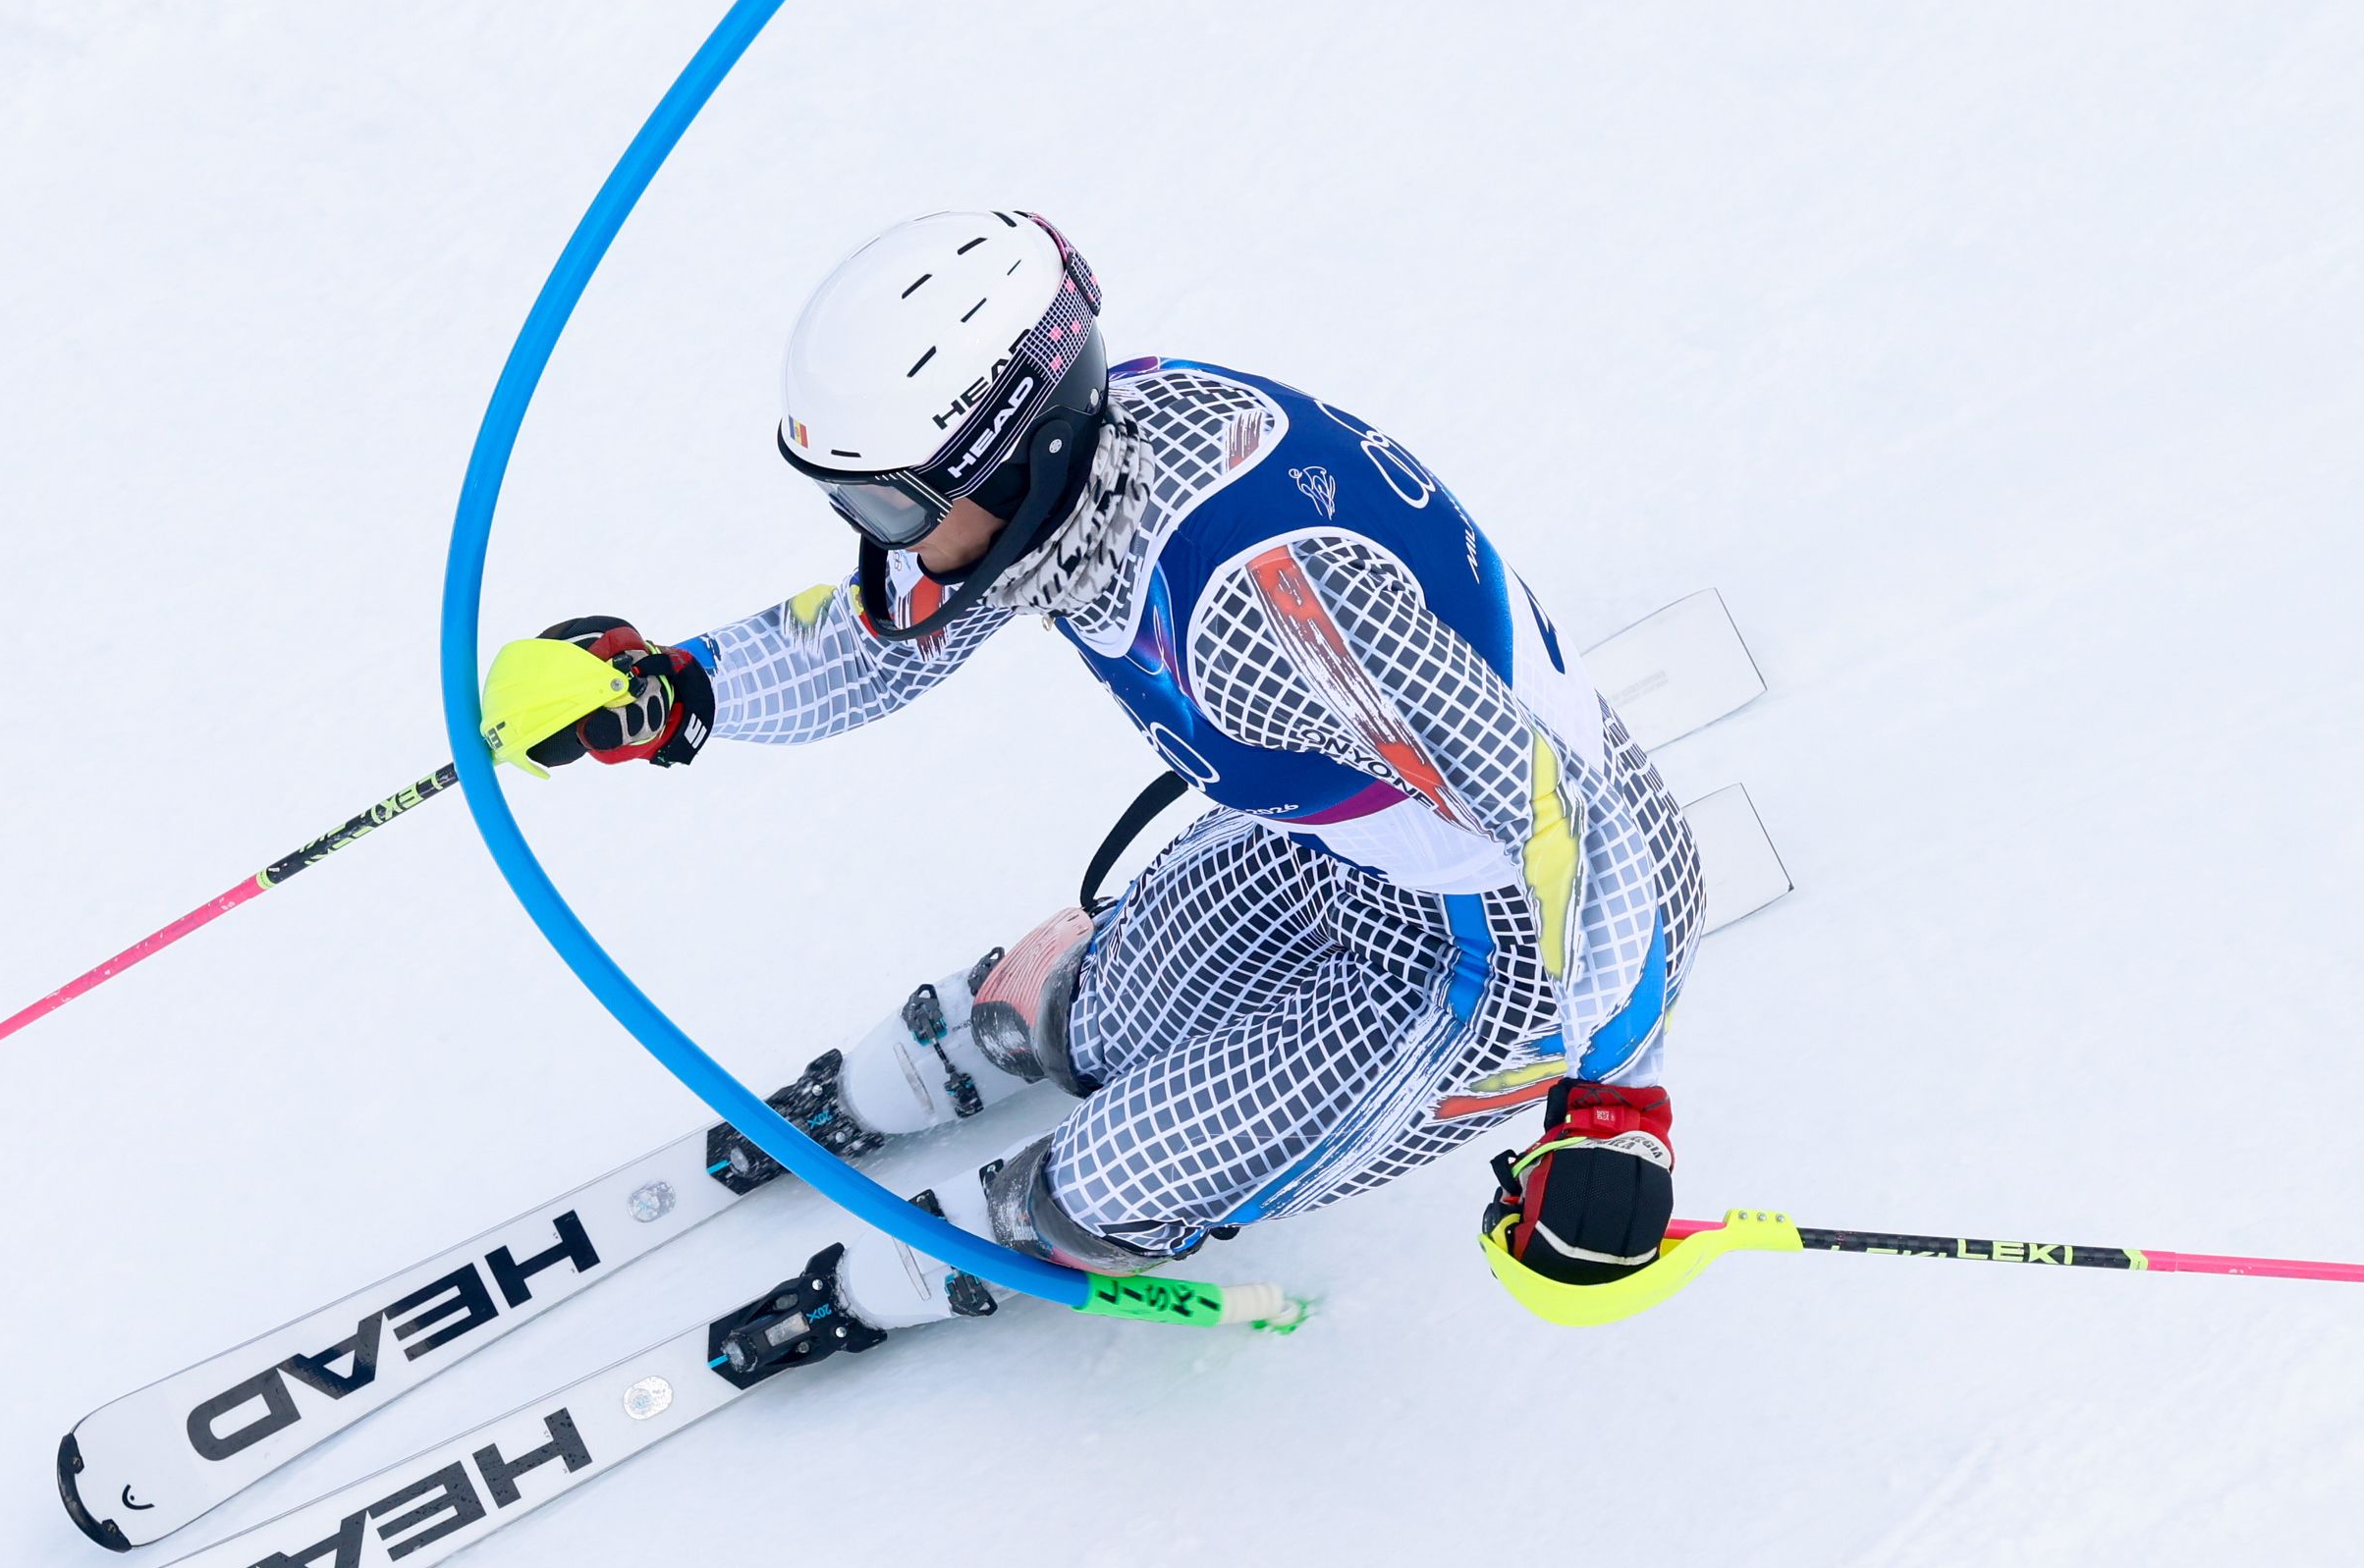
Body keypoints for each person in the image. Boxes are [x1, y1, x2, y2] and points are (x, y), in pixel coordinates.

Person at [482, 211, 1714, 1341]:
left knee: (1117, 1171)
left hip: (1514, 943)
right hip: (1336, 841)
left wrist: (1616, 1109)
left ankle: (993, 1238)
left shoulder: (1265, 601)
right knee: (1087, 1011)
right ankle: (983, 1055)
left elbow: (1568, 822)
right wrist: (673, 686)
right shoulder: (1082, 472)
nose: (879, 535)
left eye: (888, 502)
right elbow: (878, 639)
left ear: (1009, 452)